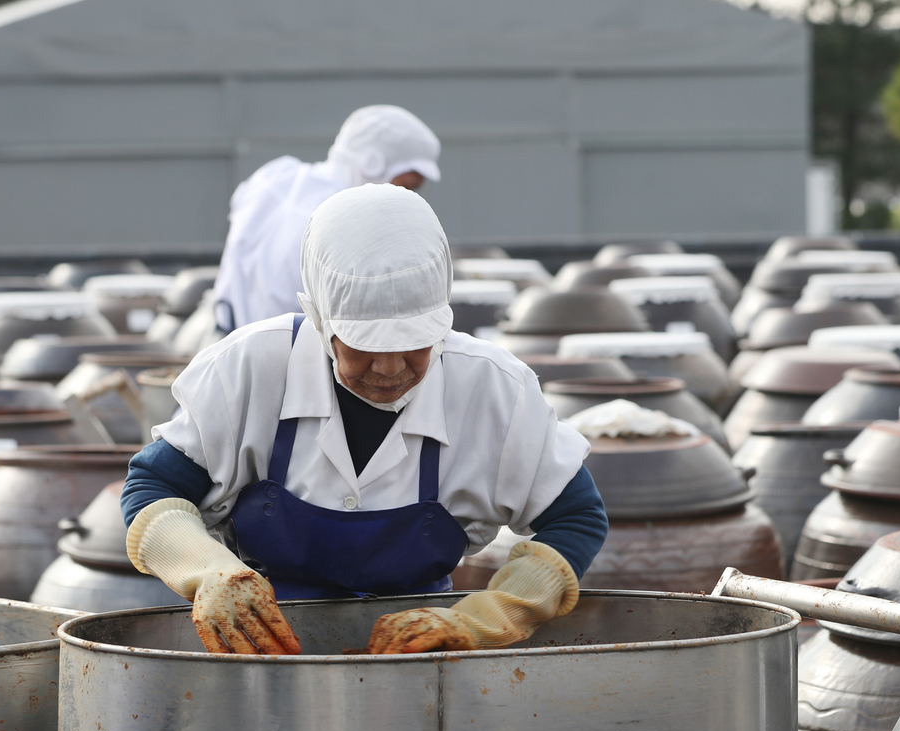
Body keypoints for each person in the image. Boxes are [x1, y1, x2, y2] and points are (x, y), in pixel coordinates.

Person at [121, 184, 607, 656]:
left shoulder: (493, 389)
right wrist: (207, 571)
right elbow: (153, 485)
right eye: (365, 346)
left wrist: (484, 618)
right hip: (259, 650)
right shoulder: (252, 366)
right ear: (320, 319)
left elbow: (577, 517)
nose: (391, 368)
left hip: (422, 656)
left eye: (416, 343)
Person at [212, 105, 442, 331]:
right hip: (293, 357)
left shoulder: (274, 177)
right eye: (405, 187)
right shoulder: (351, 222)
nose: (406, 200)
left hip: (229, 341)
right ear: (372, 165)